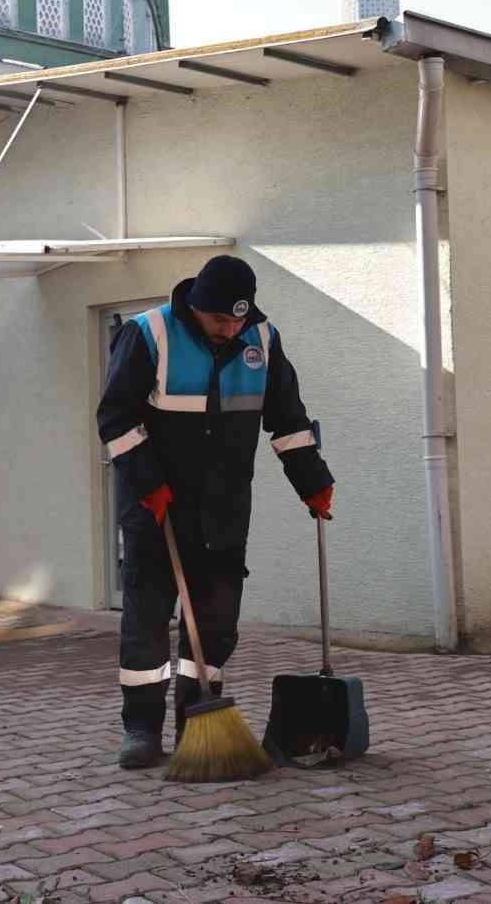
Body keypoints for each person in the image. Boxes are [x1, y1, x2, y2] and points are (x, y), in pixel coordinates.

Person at [96, 254, 335, 769]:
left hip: (224, 511)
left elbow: (287, 420)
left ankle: (196, 723)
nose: (230, 330)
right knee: (148, 622)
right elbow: (115, 418)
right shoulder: (149, 334)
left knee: (215, 625)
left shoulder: (261, 340)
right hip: (156, 508)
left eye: (237, 320)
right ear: (196, 308)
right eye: (220, 320)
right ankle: (141, 728)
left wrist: (312, 481)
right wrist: (147, 483)